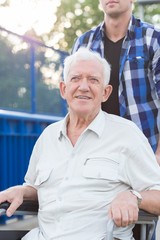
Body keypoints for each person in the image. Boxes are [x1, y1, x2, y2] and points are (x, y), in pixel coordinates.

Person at [0, 48, 160, 240]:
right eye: (75, 78)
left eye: (93, 80)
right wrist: (22, 191)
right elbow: (37, 188)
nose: (83, 86)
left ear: (105, 93)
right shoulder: (47, 137)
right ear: (63, 89)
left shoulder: (126, 134)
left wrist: (134, 197)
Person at [71, 0, 160, 166]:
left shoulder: (154, 39)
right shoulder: (83, 44)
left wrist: (158, 157)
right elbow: (75, 101)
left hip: (146, 155)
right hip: (97, 157)